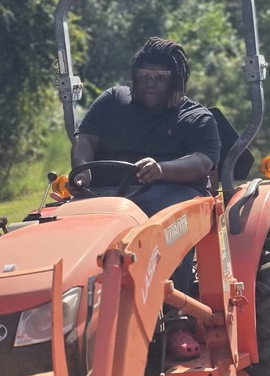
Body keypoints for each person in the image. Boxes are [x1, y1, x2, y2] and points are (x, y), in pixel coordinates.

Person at [70, 37, 221, 300]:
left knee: (167, 225)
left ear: (177, 80)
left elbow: (201, 161)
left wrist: (161, 169)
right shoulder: (113, 102)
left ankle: (172, 304)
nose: (151, 82)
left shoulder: (196, 118)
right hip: (105, 195)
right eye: (144, 75)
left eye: (161, 77)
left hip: (171, 196)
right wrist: (82, 172)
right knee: (62, 223)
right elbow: (84, 139)